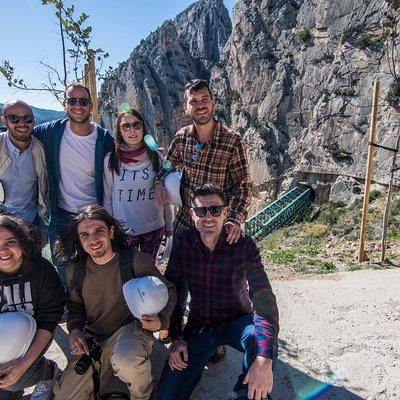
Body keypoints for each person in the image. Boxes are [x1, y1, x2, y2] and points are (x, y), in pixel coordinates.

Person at [157, 184, 279, 400]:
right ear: (191, 214)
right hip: (200, 326)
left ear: (225, 212)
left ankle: (246, 394)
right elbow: (173, 290)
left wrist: (264, 358)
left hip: (238, 321)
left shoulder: (243, 245)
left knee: (259, 341)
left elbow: (263, 299)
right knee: (167, 395)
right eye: (201, 211)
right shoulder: (184, 243)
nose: (208, 218)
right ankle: (211, 352)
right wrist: (176, 337)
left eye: (214, 210)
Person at [53, 205, 176, 400]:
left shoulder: (134, 260)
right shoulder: (74, 269)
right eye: (84, 235)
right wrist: (75, 330)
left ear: (110, 232)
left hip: (130, 330)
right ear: (79, 240)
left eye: (98, 231)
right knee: (64, 396)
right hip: (95, 339)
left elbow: (168, 289)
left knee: (127, 359)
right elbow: (75, 305)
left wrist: (162, 321)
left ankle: (142, 395)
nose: (93, 240)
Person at [33, 83, 114, 284]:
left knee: (96, 267)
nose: (78, 105)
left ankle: (96, 311)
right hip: (61, 215)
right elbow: (20, 133)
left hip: (93, 216)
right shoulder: (51, 131)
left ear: (91, 105)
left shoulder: (104, 139)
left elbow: (129, 151)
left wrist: (154, 155)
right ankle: (73, 311)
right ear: (65, 104)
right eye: (72, 101)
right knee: (64, 271)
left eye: (83, 101)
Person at [154, 79, 252, 244]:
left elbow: (243, 186)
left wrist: (234, 219)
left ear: (213, 103)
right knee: (180, 270)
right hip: (185, 225)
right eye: (193, 101)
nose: (200, 105)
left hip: (217, 228)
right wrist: (158, 183)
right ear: (185, 108)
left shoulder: (232, 141)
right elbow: (167, 167)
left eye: (205, 99)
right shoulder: (181, 137)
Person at [0, 214, 66, 400]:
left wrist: (23, 365)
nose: (3, 250)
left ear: (23, 242)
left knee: (15, 379)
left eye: (10, 241)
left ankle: (47, 373)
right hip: (2, 341)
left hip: (33, 336)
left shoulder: (41, 270)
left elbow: (49, 319)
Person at [103, 106, 173, 262]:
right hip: (124, 229)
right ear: (119, 131)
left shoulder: (156, 157)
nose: (132, 130)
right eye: (126, 126)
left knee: (149, 270)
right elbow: (107, 196)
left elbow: (165, 195)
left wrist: (169, 225)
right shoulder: (111, 159)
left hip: (153, 226)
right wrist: (109, 227)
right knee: (127, 272)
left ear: (143, 129)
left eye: (136, 125)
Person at [0, 100, 48, 227]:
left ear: (34, 121)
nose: (22, 123)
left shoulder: (42, 150)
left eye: (27, 118)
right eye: (14, 118)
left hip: (29, 222)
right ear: (4, 121)